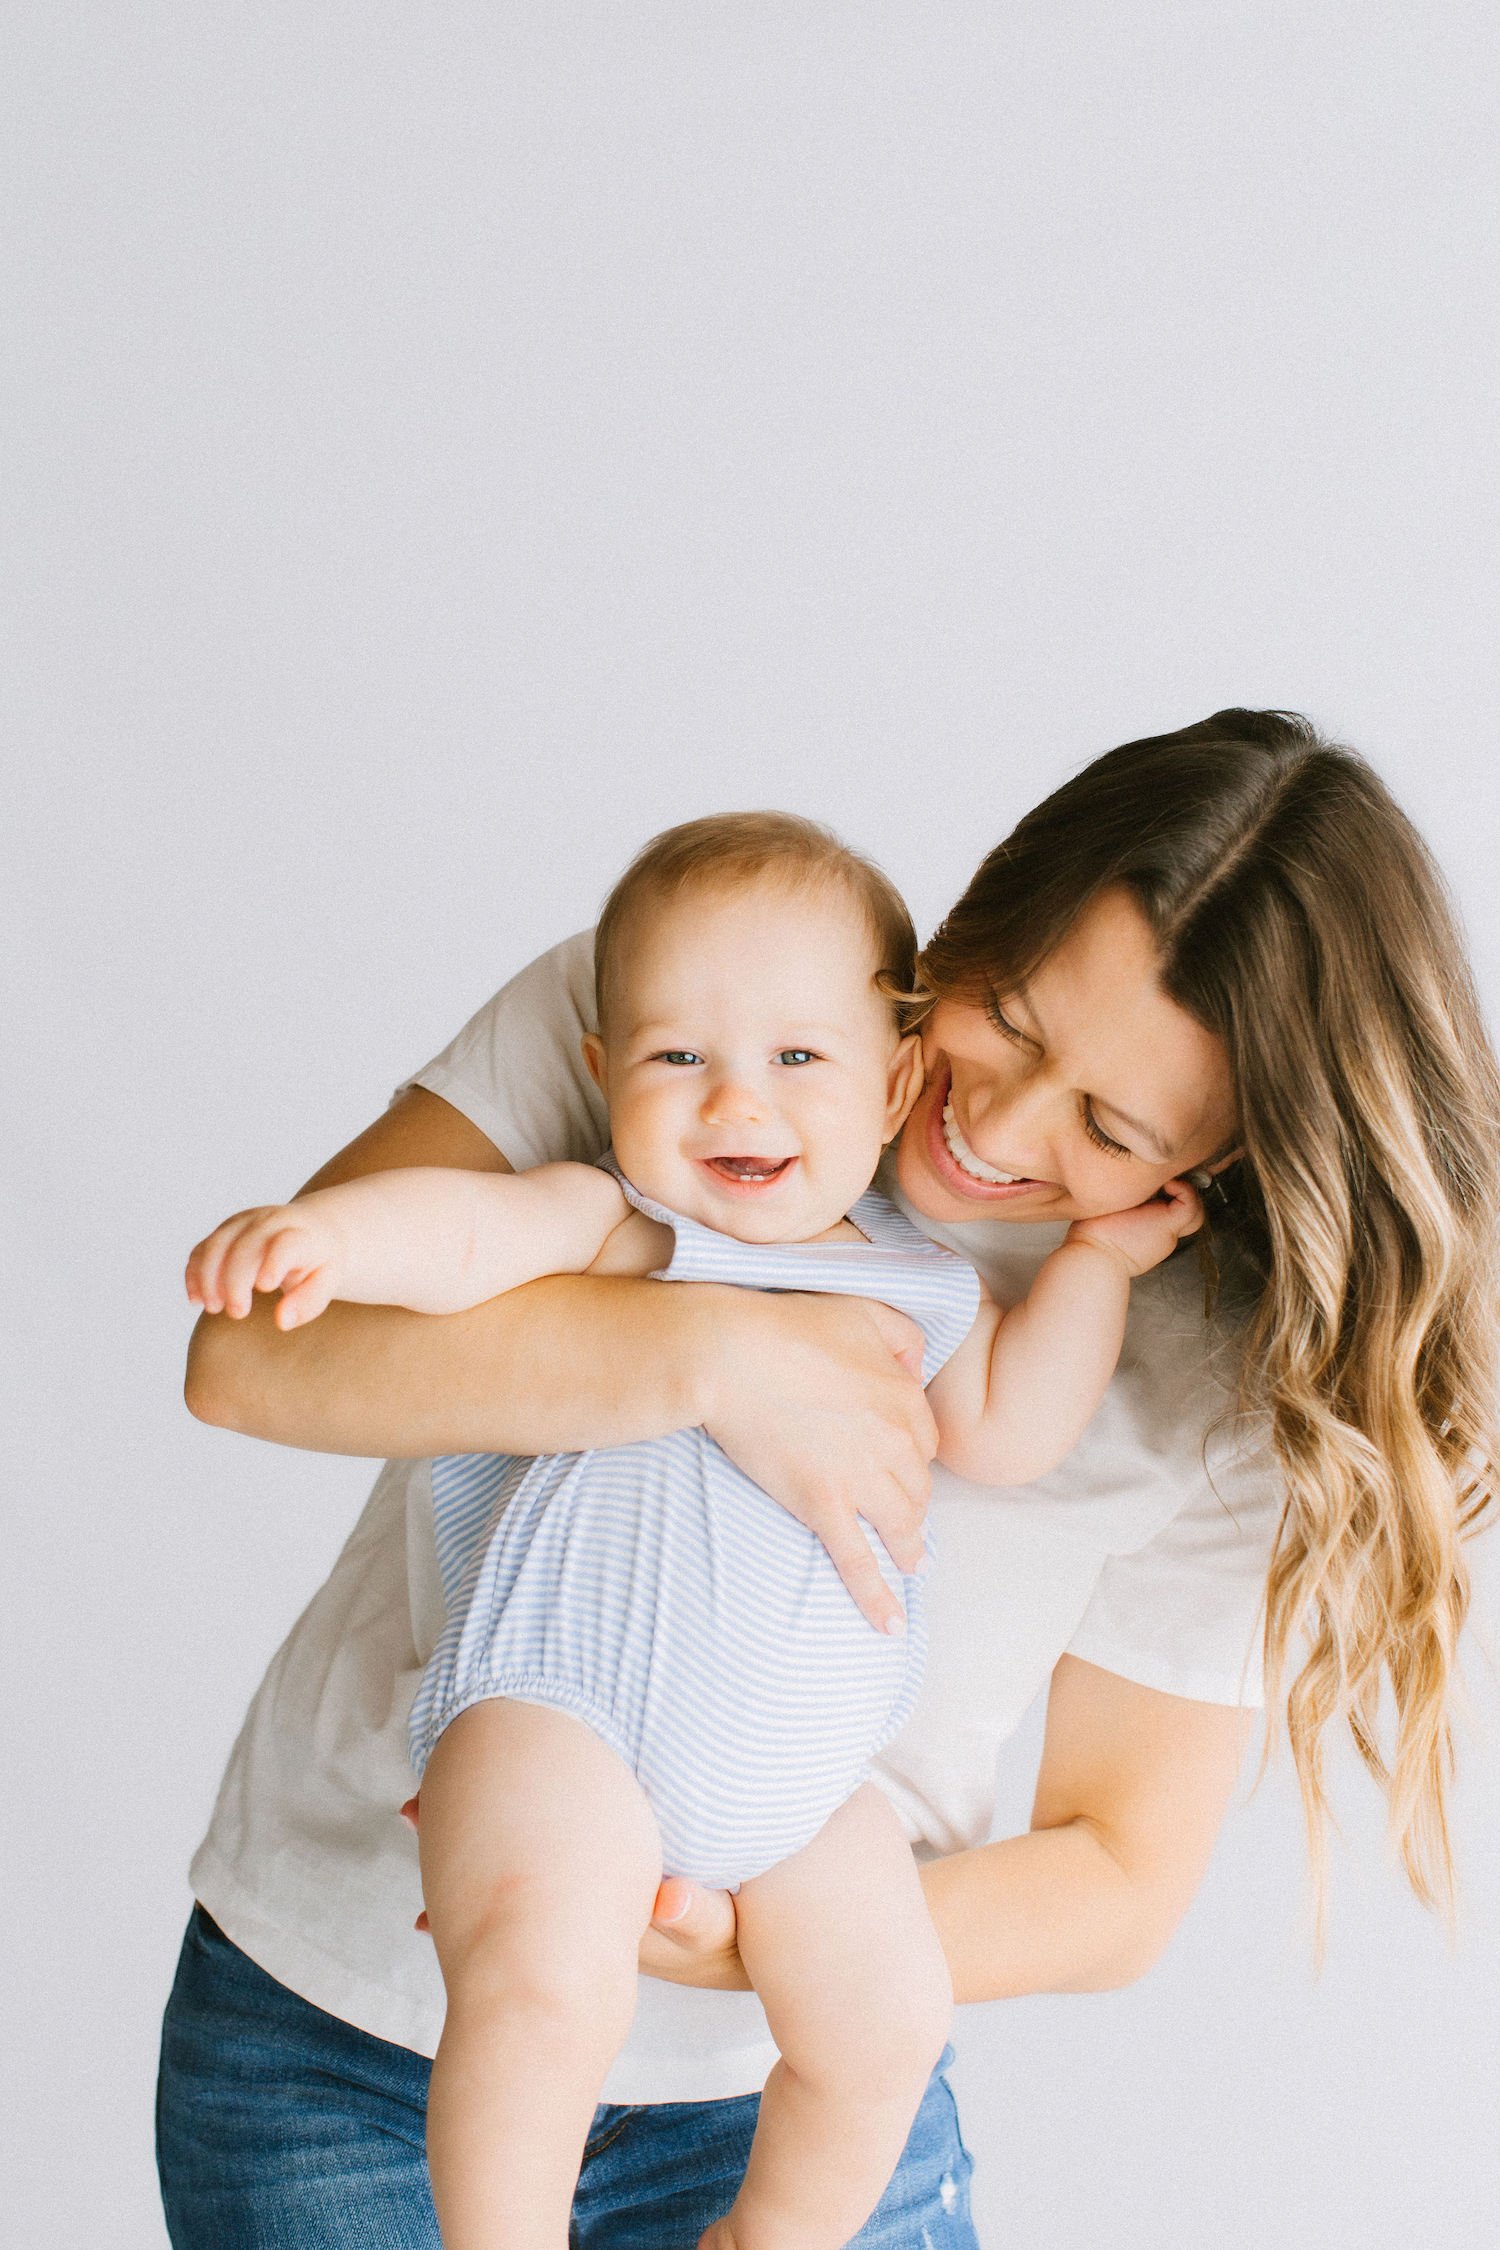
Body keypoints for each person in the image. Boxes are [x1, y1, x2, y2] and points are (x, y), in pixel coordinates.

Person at [159, 711, 1498, 2250]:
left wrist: (758, 1948)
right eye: (1013, 1018)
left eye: (1111, 1126)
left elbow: (1122, 1873)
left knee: (862, 2053)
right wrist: (715, 1356)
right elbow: (252, 1357)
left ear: (1223, 1158)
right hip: (355, 2031)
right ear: (988, 896)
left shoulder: (1230, 1362)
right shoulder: (705, 1019)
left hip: (783, 2040)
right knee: (534, 1994)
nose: (997, 1123)